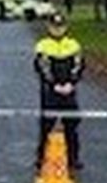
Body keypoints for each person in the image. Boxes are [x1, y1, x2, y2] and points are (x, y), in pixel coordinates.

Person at [33, 12, 84, 171]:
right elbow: (42, 67)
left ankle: (73, 159)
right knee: (46, 127)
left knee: (72, 127)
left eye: (61, 27)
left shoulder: (73, 45)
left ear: (66, 27)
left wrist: (71, 83)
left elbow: (78, 65)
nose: (58, 30)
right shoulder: (43, 45)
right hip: (50, 92)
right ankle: (41, 158)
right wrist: (54, 84)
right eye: (54, 27)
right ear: (49, 27)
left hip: (69, 91)